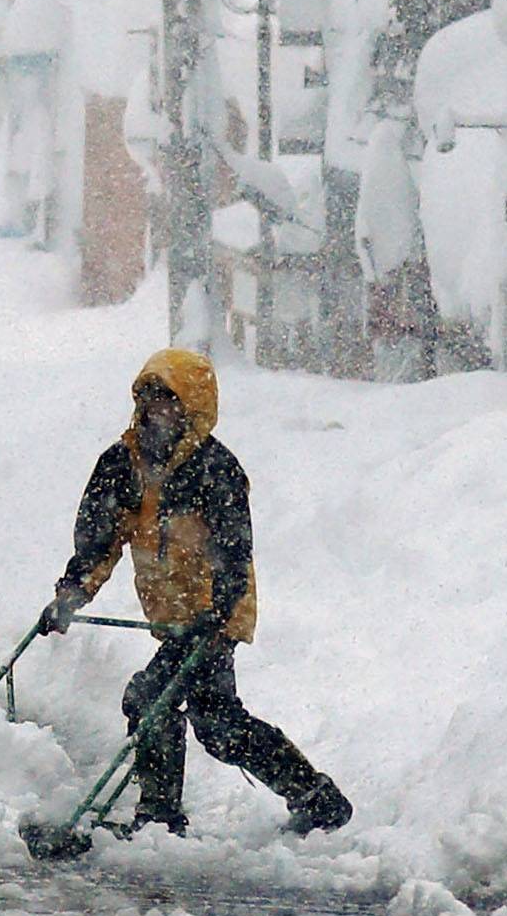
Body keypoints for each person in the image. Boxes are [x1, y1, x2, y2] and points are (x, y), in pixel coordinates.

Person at [40, 348, 351, 839]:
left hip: (214, 616)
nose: (156, 410)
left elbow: (234, 553)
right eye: (149, 399)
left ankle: (159, 819)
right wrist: (71, 594)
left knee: (150, 698)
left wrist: (217, 612)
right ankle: (316, 797)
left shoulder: (215, 470)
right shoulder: (121, 465)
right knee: (220, 727)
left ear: (193, 407)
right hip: (174, 617)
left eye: (169, 400)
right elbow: (99, 541)